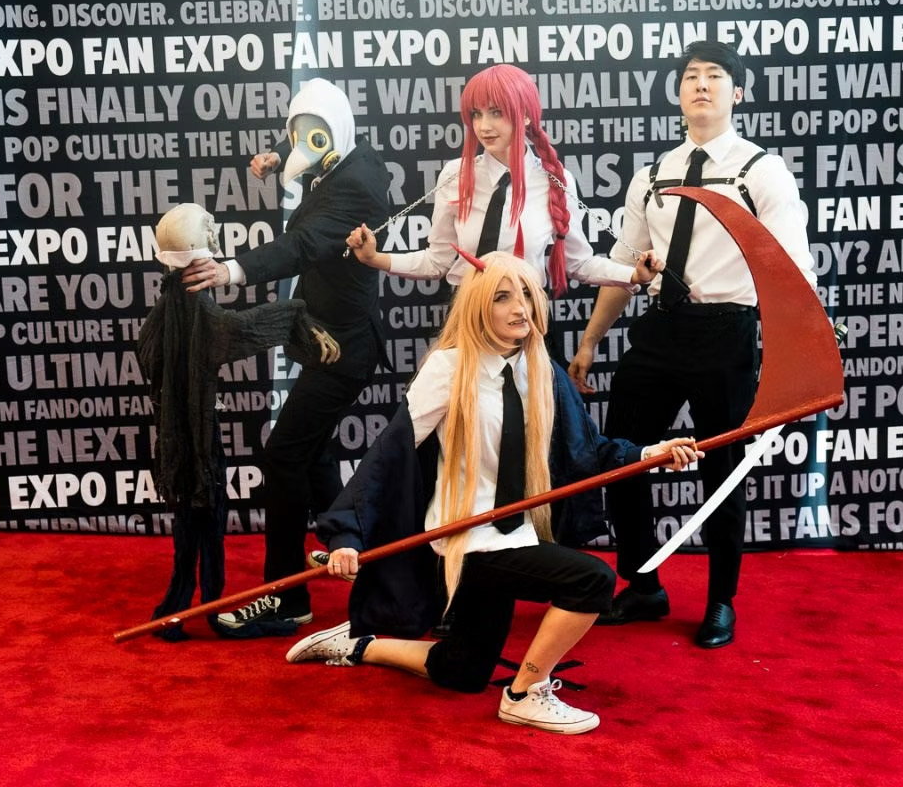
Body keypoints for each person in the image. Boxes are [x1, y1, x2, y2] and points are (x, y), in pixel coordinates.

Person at [284, 253, 699, 734]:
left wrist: (653, 452)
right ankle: (525, 693)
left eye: (526, 294)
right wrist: (345, 536)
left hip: (515, 534)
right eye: (503, 297)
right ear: (479, 306)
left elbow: (591, 448)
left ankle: (357, 644)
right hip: (465, 536)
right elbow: (388, 455)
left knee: (462, 670)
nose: (520, 307)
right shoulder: (449, 368)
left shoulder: (540, 367)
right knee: (590, 581)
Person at [568, 41, 816, 649]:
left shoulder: (761, 171)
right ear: (677, 94)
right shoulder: (652, 175)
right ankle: (644, 583)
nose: (700, 84)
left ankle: (721, 600)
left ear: (739, 93)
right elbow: (624, 267)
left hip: (726, 333)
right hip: (658, 330)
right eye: (689, 76)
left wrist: (805, 351)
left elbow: (794, 271)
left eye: (715, 76)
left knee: (722, 471)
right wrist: (590, 341)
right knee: (622, 457)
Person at [180, 78, 391, 636]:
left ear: (335, 131)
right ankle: (350, 550)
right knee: (312, 453)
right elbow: (320, 151)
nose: (300, 142)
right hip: (326, 337)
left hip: (344, 349)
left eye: (309, 133)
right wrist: (282, 157)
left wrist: (230, 271)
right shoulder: (348, 156)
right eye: (295, 131)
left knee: (282, 456)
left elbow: (302, 244)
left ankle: (286, 597)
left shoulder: (358, 188)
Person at [137, 202, 340, 640]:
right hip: (197, 443)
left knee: (191, 520)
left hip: (178, 440)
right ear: (202, 245)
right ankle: (203, 603)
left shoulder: (165, 308)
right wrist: (296, 314)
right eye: (210, 232)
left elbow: (157, 352)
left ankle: (182, 602)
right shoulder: (201, 313)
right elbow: (242, 329)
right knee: (204, 514)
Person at [345, 63, 661, 296]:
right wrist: (374, 258)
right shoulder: (455, 175)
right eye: (476, 114)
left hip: (524, 317)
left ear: (525, 115)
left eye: (496, 112)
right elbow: (437, 261)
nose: (484, 126)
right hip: (465, 318)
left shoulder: (555, 179)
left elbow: (578, 264)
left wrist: (634, 274)